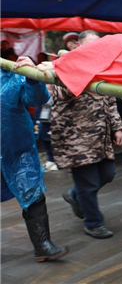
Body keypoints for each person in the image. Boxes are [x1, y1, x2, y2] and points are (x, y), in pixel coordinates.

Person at [51, 31, 122, 239]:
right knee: (88, 183)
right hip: (77, 139)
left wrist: (117, 128)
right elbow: (59, 93)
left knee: (108, 174)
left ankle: (75, 195)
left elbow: (111, 102)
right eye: (90, 45)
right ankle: (93, 223)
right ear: (78, 46)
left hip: (101, 136)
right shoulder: (67, 64)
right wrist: (82, 69)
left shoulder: (103, 69)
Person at [1, 56, 69, 262]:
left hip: (17, 151)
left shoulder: (12, 73)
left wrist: (32, 76)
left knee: (33, 194)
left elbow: (37, 99)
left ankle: (43, 246)